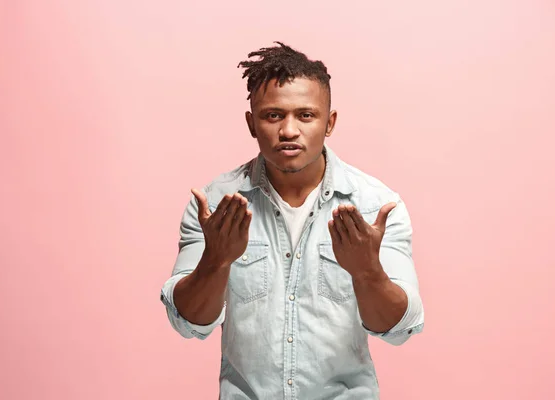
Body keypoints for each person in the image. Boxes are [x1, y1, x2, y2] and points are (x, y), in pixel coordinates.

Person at [160, 41, 424, 399]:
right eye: (273, 116)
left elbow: (398, 329)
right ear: (252, 124)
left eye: (305, 115)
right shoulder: (215, 206)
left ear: (329, 123)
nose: (288, 130)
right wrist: (216, 260)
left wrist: (366, 272)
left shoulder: (375, 206)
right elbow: (190, 323)